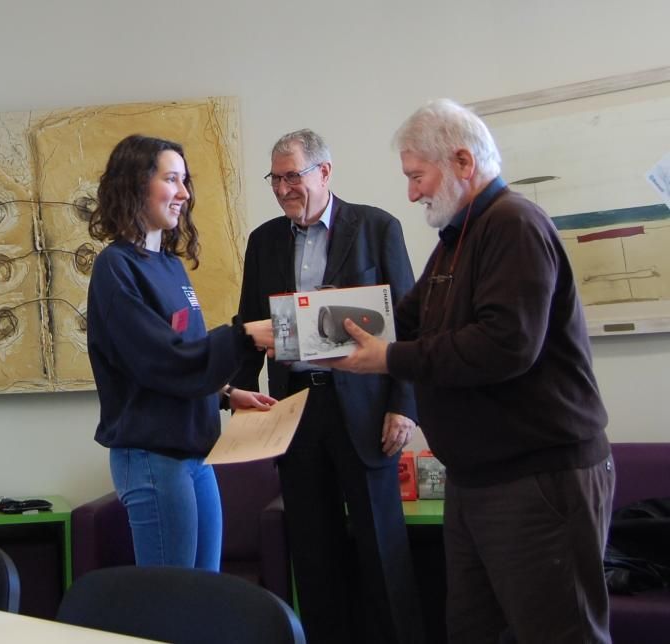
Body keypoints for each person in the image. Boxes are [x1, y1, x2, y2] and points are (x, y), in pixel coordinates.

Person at [325, 99, 615, 643]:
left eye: (417, 176)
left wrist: (387, 358)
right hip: (479, 481)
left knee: (559, 634)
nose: (411, 193)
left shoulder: (514, 224)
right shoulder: (458, 239)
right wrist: (304, 328)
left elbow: (505, 346)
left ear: (462, 161)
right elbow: (402, 319)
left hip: (538, 479)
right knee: (471, 631)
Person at [231, 129, 423, 643]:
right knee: (313, 557)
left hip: (366, 411)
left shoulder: (377, 228)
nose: (283, 188)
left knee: (382, 550)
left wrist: (404, 406)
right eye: (276, 178)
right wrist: (240, 403)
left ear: (325, 172)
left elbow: (410, 323)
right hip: (296, 412)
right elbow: (249, 323)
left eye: (293, 175)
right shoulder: (263, 241)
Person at [86, 134, 277, 571]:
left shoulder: (169, 266)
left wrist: (225, 394)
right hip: (154, 459)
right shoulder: (116, 268)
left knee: (203, 593)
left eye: (184, 181)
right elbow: (160, 359)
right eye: (172, 180)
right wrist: (244, 336)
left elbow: (185, 357)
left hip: (196, 454)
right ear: (136, 184)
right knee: (171, 605)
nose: (185, 194)